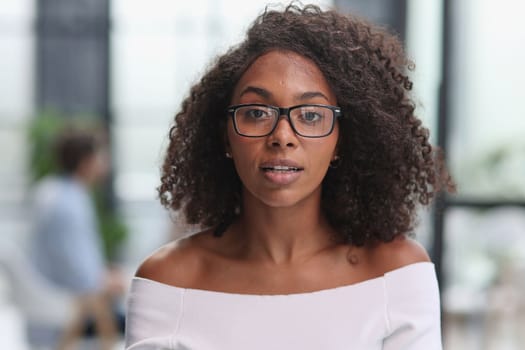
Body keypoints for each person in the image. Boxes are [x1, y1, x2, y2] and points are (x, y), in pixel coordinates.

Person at [125, 4, 454, 350]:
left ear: (341, 139)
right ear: (225, 137)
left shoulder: (396, 273)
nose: (283, 135)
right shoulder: (169, 281)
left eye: (311, 115)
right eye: (256, 113)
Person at [30, 128, 120, 350]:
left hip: (49, 296)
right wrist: (110, 280)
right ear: (86, 162)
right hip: (65, 305)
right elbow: (83, 276)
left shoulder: (52, 190)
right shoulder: (69, 205)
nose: (105, 163)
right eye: (101, 156)